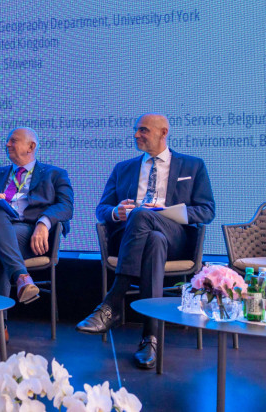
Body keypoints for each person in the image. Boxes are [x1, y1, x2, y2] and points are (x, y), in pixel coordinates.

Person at [76, 113, 215, 369]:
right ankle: (150, 338)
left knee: (143, 216)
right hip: (134, 239)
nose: (136, 135)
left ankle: (113, 302)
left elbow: (207, 211)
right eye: (136, 130)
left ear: (163, 133)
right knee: (153, 239)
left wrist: (166, 211)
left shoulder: (193, 166)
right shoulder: (123, 168)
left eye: (143, 130)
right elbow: (102, 209)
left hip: (176, 237)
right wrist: (116, 211)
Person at [0, 127, 74, 353]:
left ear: (31, 146)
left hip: (28, 232)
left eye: (13, 141)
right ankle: (22, 277)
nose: (7, 144)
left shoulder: (55, 174)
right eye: (8, 141)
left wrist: (44, 222)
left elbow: (66, 206)